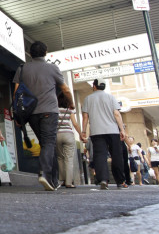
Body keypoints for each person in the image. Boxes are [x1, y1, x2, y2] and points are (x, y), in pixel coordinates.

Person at [13, 41, 74, 191]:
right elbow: (65, 89)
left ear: (30, 53)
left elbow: (16, 93)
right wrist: (71, 102)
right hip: (49, 110)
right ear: (45, 52)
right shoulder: (52, 68)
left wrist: (18, 115)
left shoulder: (22, 68)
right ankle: (44, 173)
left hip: (31, 113)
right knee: (48, 143)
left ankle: (53, 180)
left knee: (46, 143)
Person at [80, 78, 127, 189]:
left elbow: (85, 117)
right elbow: (116, 114)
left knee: (100, 155)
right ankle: (120, 182)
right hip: (112, 130)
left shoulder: (88, 99)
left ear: (94, 86)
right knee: (116, 155)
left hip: (96, 132)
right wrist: (122, 130)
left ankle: (103, 180)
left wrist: (83, 131)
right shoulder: (111, 97)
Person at [56, 92, 80, 188]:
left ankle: (63, 180)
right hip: (68, 135)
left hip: (57, 135)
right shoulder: (69, 111)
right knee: (68, 158)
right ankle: (69, 182)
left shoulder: (55, 110)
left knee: (60, 158)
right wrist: (81, 134)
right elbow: (75, 124)